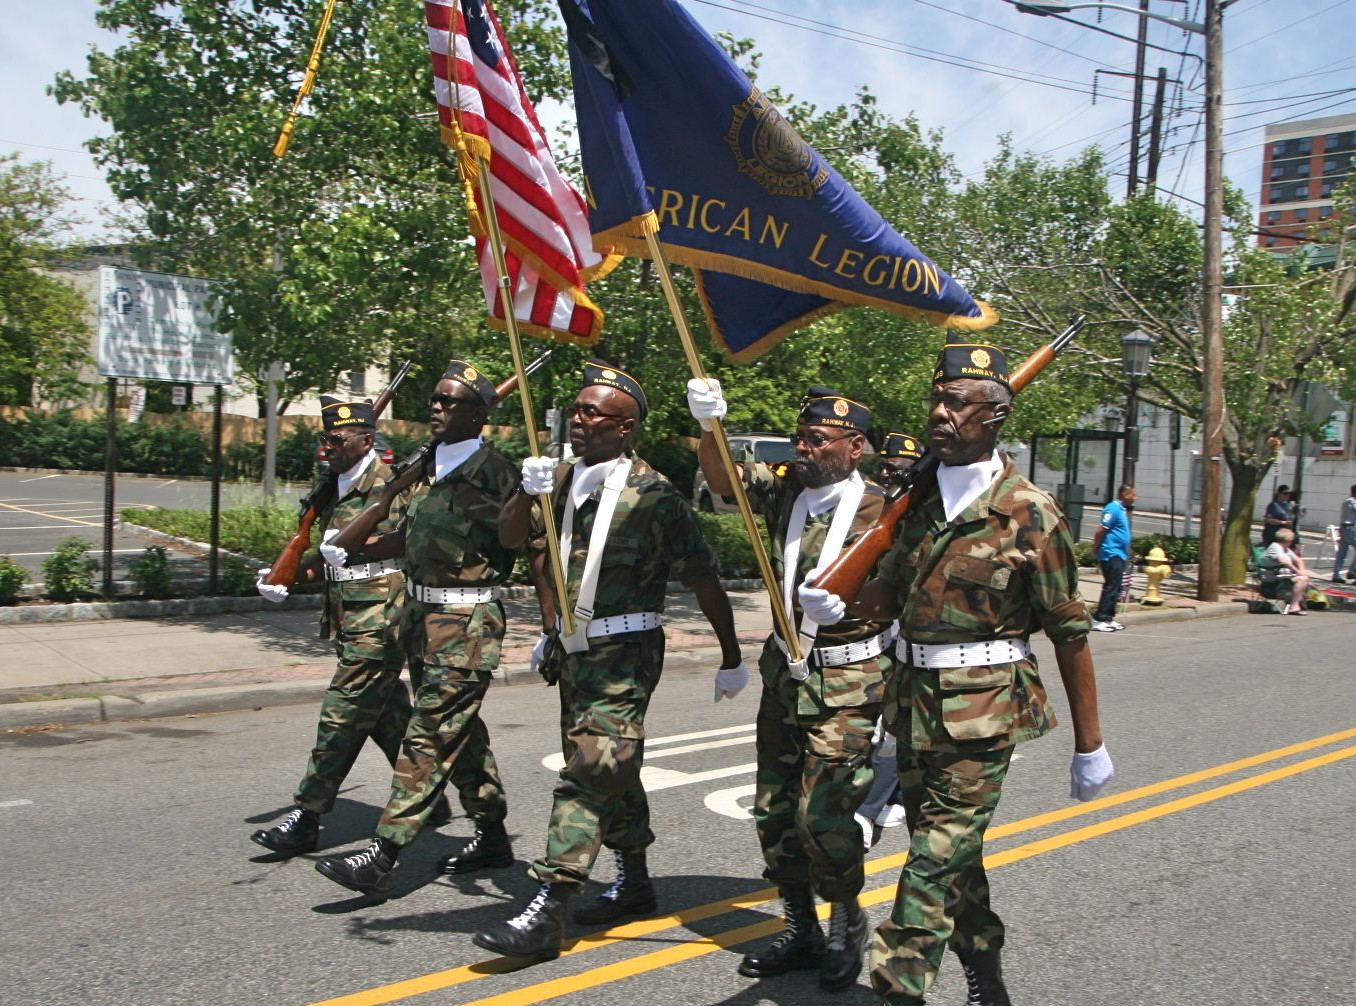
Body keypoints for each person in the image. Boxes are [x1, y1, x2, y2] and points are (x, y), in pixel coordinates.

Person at [798, 342, 1115, 1006]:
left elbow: (1069, 631)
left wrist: (1091, 745)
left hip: (985, 713)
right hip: (911, 707)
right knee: (952, 860)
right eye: (936, 399)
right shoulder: (912, 501)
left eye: (957, 402)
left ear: (995, 417)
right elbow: (889, 594)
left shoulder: (1031, 512)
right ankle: (987, 974)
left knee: (930, 863)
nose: (939, 413)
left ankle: (895, 987)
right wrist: (839, 603)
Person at [473, 361, 745, 964]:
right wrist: (527, 490)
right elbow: (521, 544)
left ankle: (552, 901)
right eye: (576, 408)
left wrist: (731, 654)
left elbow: (702, 575)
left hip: (626, 652)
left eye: (593, 412)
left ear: (625, 429)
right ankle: (636, 879)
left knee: (591, 765)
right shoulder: (563, 479)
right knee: (611, 767)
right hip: (574, 653)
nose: (579, 417)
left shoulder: (655, 496)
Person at [688, 379, 895, 993]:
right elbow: (723, 478)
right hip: (786, 669)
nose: (803, 447)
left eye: (818, 439)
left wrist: (865, 602)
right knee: (774, 811)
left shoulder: (885, 508)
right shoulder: (787, 492)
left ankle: (845, 922)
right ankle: (800, 924)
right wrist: (708, 426)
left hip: (850, 676)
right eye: (800, 436)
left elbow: (913, 590)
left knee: (823, 814)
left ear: (854, 446)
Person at [309, 361, 529, 901]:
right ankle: (494, 832)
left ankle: (383, 854)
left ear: (479, 415)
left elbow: (525, 545)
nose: (436, 407)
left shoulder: (498, 473)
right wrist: (350, 543)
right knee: (462, 735)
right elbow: (404, 538)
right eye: (435, 398)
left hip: (467, 623)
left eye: (450, 402)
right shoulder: (422, 467)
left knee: (427, 735)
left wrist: (551, 624)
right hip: (418, 619)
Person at [250, 396, 439, 856]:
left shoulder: (397, 481)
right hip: (346, 614)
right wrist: (288, 576)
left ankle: (307, 814)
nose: (325, 448)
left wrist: (365, 544)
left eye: (336, 440)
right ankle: (425, 792)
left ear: (366, 440)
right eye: (324, 439)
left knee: (343, 711)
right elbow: (329, 557)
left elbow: (417, 538)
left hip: (383, 615)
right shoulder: (332, 484)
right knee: (385, 714)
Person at [1090, 484, 1135, 632]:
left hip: (1120, 554)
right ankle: (1099, 618)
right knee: (1111, 586)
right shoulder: (1112, 509)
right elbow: (1101, 529)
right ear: (1123, 494)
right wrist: (1095, 547)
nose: (1134, 498)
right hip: (1111, 553)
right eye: (1131, 495)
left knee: (1116, 587)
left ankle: (1109, 617)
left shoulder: (1122, 510)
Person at [1260, 528, 1311, 615]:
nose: (1291, 543)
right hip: (1273, 580)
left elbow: (1299, 561)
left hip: (1283, 578)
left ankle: (1297, 605)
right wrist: (1297, 572)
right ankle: (1293, 607)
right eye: (1291, 541)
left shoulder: (1286, 549)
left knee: (1304, 579)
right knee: (1301, 580)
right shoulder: (1275, 547)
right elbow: (1284, 561)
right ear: (1288, 540)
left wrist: (1303, 573)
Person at [1332, 484, 1356, 583]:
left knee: (1342, 553)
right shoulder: (1351, 501)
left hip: (1346, 528)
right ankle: (1352, 571)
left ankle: (1336, 575)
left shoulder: (1348, 501)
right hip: (1348, 528)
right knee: (1342, 553)